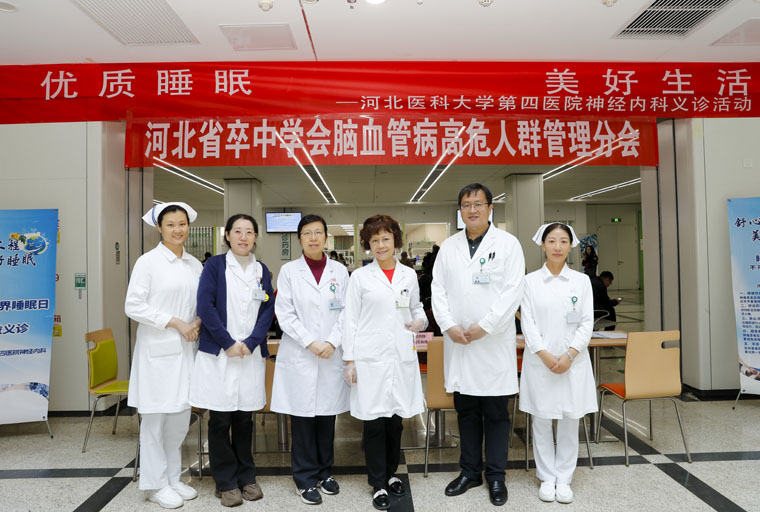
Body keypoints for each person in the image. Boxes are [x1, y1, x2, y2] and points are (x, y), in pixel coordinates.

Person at [431, 183, 524, 507]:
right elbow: (437, 290)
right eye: (466, 205)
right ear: (460, 210)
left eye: (478, 204)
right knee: (467, 412)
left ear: (490, 208)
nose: (472, 210)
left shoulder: (508, 245)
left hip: (493, 344)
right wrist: (448, 325)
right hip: (459, 343)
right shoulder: (449, 247)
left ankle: (496, 476)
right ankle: (470, 472)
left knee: (496, 415)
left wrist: (485, 326)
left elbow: (512, 292)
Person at [342, 214, 427, 511]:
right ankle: (377, 482)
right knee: (374, 423)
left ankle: (391, 473)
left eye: (386, 239)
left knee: (395, 421)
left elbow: (416, 307)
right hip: (370, 359)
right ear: (368, 244)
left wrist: (420, 321)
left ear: (395, 241)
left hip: (400, 356)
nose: (380, 245)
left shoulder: (408, 275)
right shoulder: (360, 277)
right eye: (375, 240)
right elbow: (350, 320)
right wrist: (350, 361)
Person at [189, 214, 275, 507]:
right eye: (237, 231)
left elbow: (267, 310)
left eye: (249, 232)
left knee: (244, 419)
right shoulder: (214, 266)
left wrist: (251, 342)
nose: (243, 237)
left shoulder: (261, 270)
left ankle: (246, 477)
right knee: (220, 419)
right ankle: (225, 481)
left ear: (255, 237)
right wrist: (227, 342)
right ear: (227, 235)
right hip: (221, 354)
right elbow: (206, 306)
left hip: (248, 354)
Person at [125, 202, 202, 509]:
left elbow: (201, 303)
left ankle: (172, 478)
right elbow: (133, 306)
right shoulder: (148, 262)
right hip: (157, 352)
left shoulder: (194, 265)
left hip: (186, 351)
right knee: (155, 420)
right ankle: (155, 484)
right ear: (159, 228)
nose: (177, 230)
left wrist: (196, 322)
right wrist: (176, 322)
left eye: (182, 224)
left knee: (180, 418)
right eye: (170, 224)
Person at [272, 214, 350, 505]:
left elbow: (347, 312)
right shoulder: (289, 271)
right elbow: (284, 313)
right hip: (301, 353)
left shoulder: (340, 271)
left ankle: (324, 471)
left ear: (326, 237)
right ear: (299, 239)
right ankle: (304, 478)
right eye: (307, 233)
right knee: (303, 418)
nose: (313, 238)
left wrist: (331, 342)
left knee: (327, 417)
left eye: (318, 233)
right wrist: (311, 342)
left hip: (330, 353)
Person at [519, 223, 597, 504]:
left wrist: (570, 355)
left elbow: (586, 322)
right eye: (551, 241)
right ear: (542, 245)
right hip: (541, 362)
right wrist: (544, 354)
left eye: (563, 241)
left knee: (569, 420)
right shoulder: (530, 282)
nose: (557, 247)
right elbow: (527, 322)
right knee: (541, 420)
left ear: (571, 245)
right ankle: (546, 477)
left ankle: (564, 478)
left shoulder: (581, 281)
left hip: (572, 363)